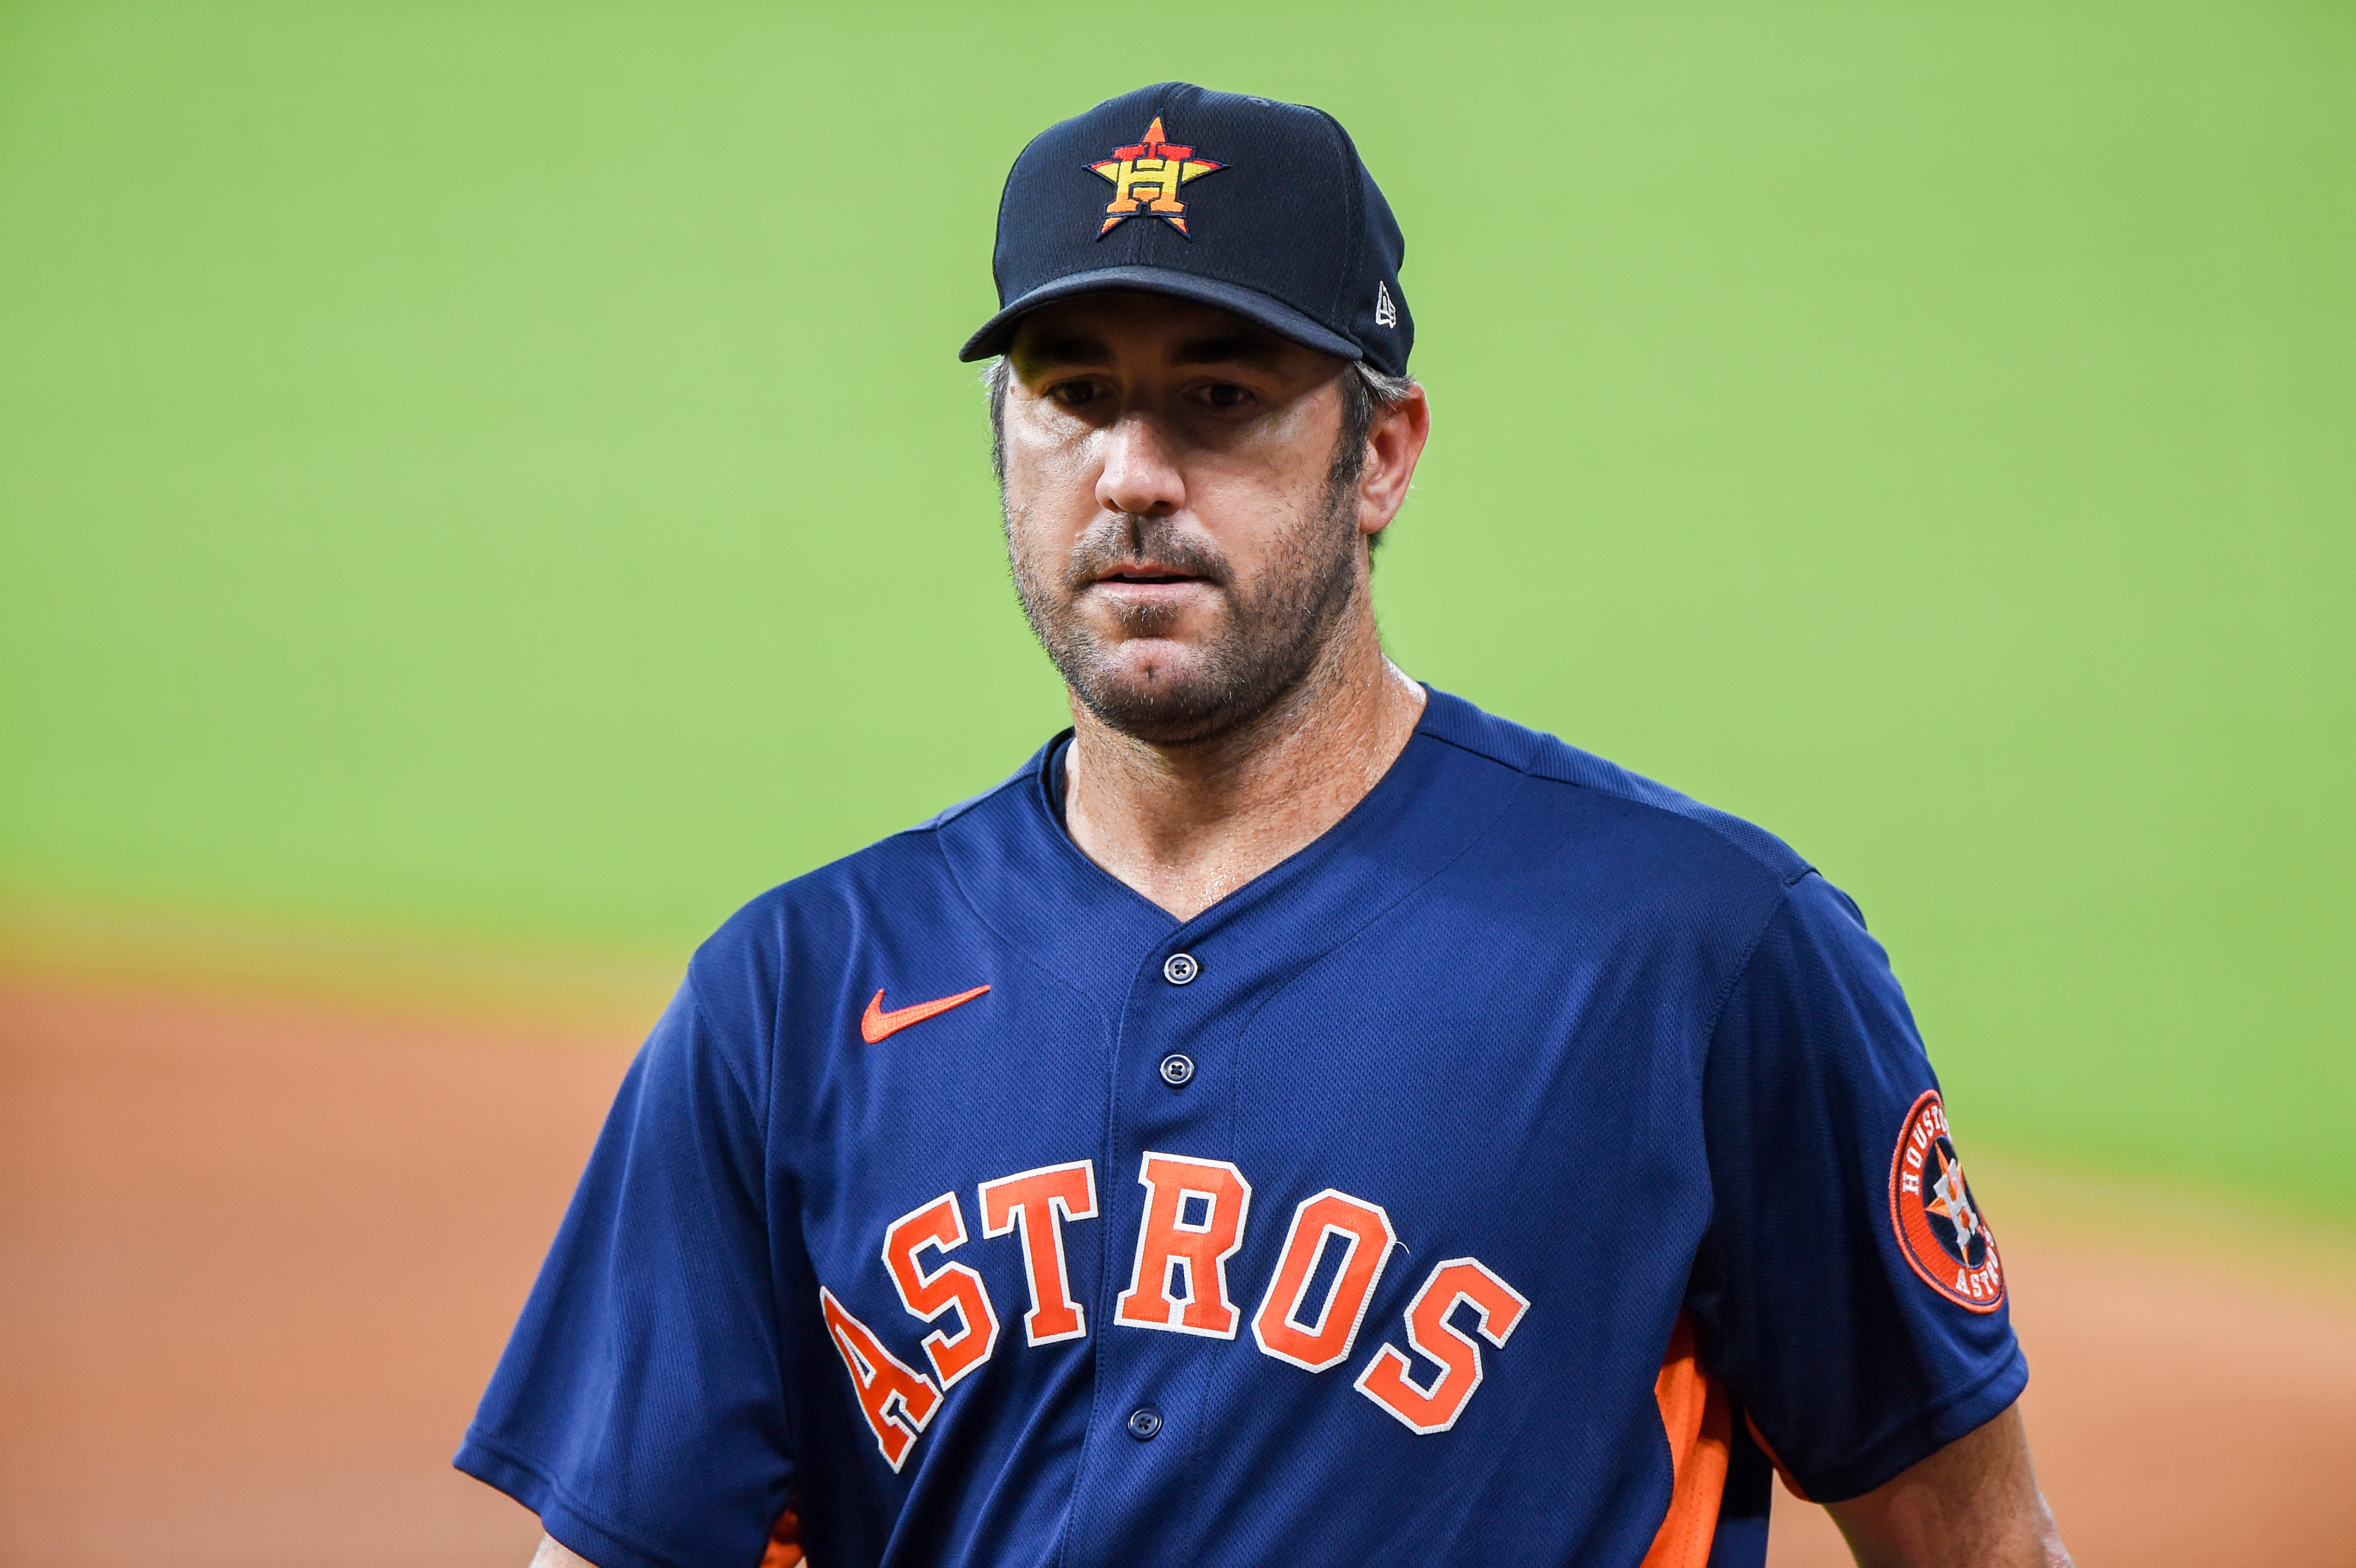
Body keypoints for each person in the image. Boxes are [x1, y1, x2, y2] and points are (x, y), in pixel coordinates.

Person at [457, 82, 2073, 1568]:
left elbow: (1979, 1545)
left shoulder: (1697, 959)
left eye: (1219, 398)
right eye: (1074, 395)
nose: (1134, 473)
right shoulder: (789, 994)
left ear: (1379, 454)